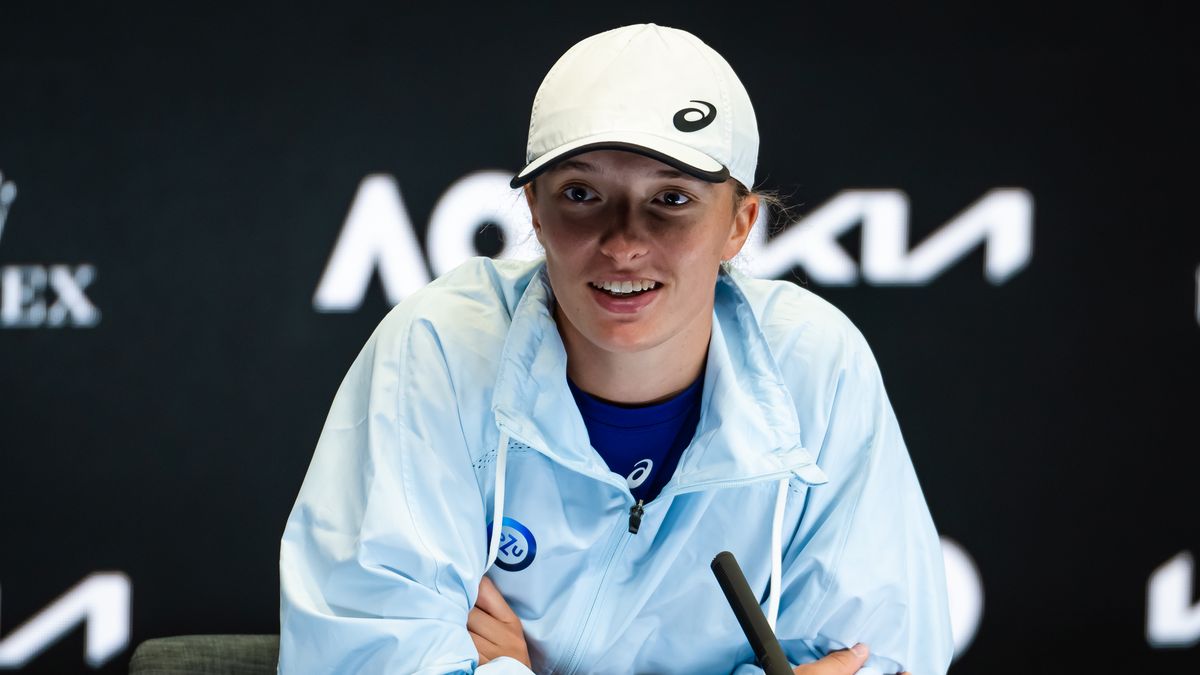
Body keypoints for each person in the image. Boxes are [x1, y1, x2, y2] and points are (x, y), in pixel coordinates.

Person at [279, 23, 953, 675]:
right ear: (535, 212)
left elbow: (879, 656)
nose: (625, 242)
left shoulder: (816, 365)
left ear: (739, 225)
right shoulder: (440, 347)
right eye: (582, 194)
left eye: (671, 197)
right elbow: (361, 654)